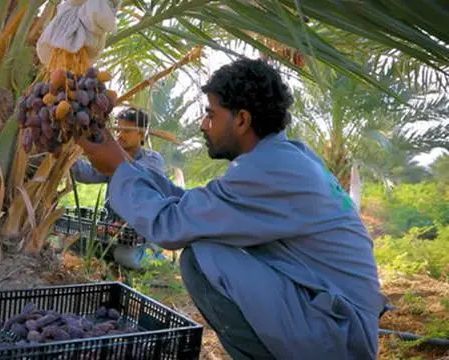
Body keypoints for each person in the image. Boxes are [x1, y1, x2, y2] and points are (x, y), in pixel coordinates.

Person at [75, 58, 388, 359]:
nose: (203, 125)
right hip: (333, 319)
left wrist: (118, 168)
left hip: (340, 336)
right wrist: (124, 163)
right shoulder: (287, 157)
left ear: (242, 120)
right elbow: (194, 207)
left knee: (202, 257)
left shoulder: (271, 169)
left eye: (211, 114)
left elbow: (172, 226)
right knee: (205, 238)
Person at [70, 107, 167, 269]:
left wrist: (122, 223)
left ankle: (155, 256)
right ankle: (112, 254)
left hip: (140, 233)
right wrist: (68, 158)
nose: (119, 135)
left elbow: (135, 176)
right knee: (76, 241)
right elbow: (87, 174)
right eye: (118, 130)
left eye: (126, 131)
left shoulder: (152, 160)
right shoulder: (115, 160)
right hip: (113, 230)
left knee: (125, 257)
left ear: (142, 134)